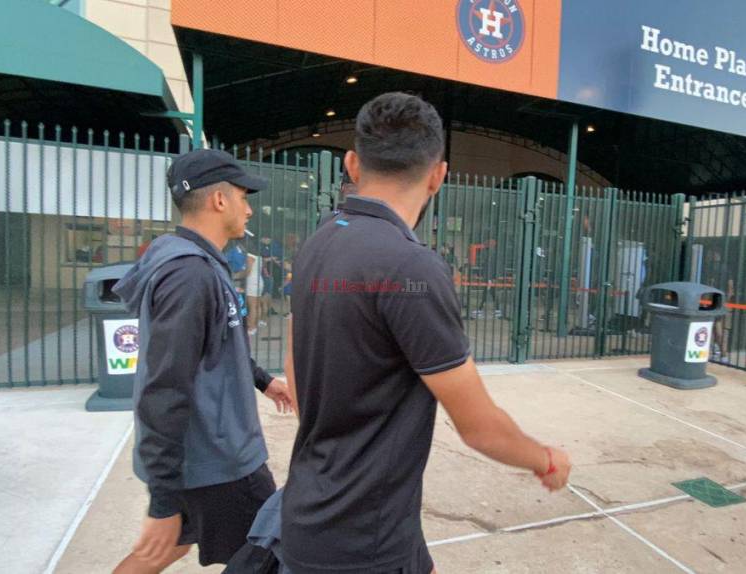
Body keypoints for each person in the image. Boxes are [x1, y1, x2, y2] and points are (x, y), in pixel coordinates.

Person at [281, 92, 571, 574]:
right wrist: (545, 459)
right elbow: (478, 427)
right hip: (361, 542)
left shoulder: (319, 241)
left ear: (352, 164)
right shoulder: (410, 267)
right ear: (438, 175)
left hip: (328, 512)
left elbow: (295, 359)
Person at [111, 149, 294, 573]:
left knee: (164, 548)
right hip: (219, 462)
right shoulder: (189, 275)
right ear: (219, 200)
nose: (249, 208)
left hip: (204, 458)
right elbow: (164, 389)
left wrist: (265, 382)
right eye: (244, 197)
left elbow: (213, 347)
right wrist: (163, 499)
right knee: (270, 548)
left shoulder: (197, 264)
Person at [245, 250, 266, 334]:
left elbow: (248, 271)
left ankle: (251, 328)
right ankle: (255, 325)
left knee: (252, 306)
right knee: (257, 305)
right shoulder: (259, 257)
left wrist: (238, 275)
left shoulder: (250, 255)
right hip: (259, 280)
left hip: (252, 281)